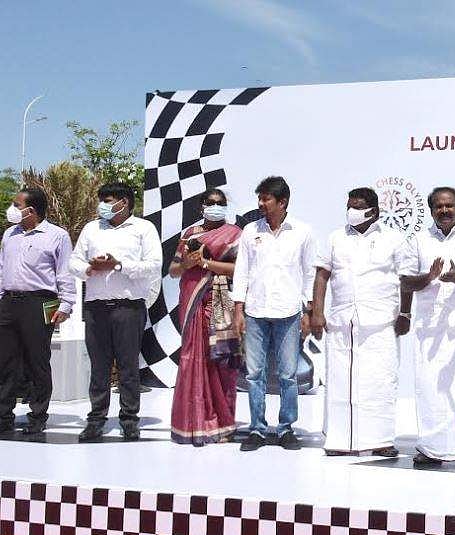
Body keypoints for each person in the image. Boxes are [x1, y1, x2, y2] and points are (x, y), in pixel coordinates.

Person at [312, 187, 411, 457]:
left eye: (357, 207)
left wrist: (405, 313)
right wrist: (317, 313)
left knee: (380, 381)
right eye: (349, 206)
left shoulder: (393, 239)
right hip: (342, 320)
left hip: (381, 322)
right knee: (339, 381)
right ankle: (339, 441)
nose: (351, 212)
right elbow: (322, 276)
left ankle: (380, 440)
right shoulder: (335, 237)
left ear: (374, 211)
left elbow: (405, 279)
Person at [400, 187, 455, 467]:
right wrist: (429, 277)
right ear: (431, 210)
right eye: (438, 206)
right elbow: (406, 282)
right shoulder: (417, 241)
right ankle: (432, 448)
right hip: (428, 327)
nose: (444, 211)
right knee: (429, 389)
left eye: (449, 205)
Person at [71, 182, 162, 442]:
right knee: (99, 367)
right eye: (101, 201)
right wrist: (89, 268)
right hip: (96, 307)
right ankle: (96, 420)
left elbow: (154, 265)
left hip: (128, 307)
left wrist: (118, 265)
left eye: (108, 201)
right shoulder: (91, 228)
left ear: (124, 202)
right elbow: (73, 261)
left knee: (128, 366)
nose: (103, 206)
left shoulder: (143, 228)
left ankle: (129, 420)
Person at [232, 176, 317, 451]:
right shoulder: (250, 231)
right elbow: (241, 272)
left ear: (282, 202)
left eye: (266, 199)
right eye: (260, 198)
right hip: (255, 311)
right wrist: (238, 310)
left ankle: (285, 428)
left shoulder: (302, 232)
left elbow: (309, 273)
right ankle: (257, 429)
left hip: (289, 313)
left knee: (288, 375)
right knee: (254, 374)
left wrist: (308, 310)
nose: (261, 203)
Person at [167, 188, 243, 445]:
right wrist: (188, 264)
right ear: (201, 207)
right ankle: (193, 423)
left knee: (221, 362)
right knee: (192, 359)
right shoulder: (190, 234)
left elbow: (239, 270)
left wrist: (205, 264)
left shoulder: (235, 234)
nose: (215, 207)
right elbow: (173, 270)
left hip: (221, 302)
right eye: (211, 203)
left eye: (220, 203)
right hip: (192, 302)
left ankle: (223, 423)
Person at [0, 188, 76, 436]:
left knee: (37, 361)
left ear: (31, 210)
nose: (12, 209)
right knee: (5, 362)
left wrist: (66, 304)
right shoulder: (9, 234)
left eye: (16, 205)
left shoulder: (57, 236)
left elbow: (64, 272)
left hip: (41, 301)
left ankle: (37, 416)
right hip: (9, 301)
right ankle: (3, 416)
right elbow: (2, 268)